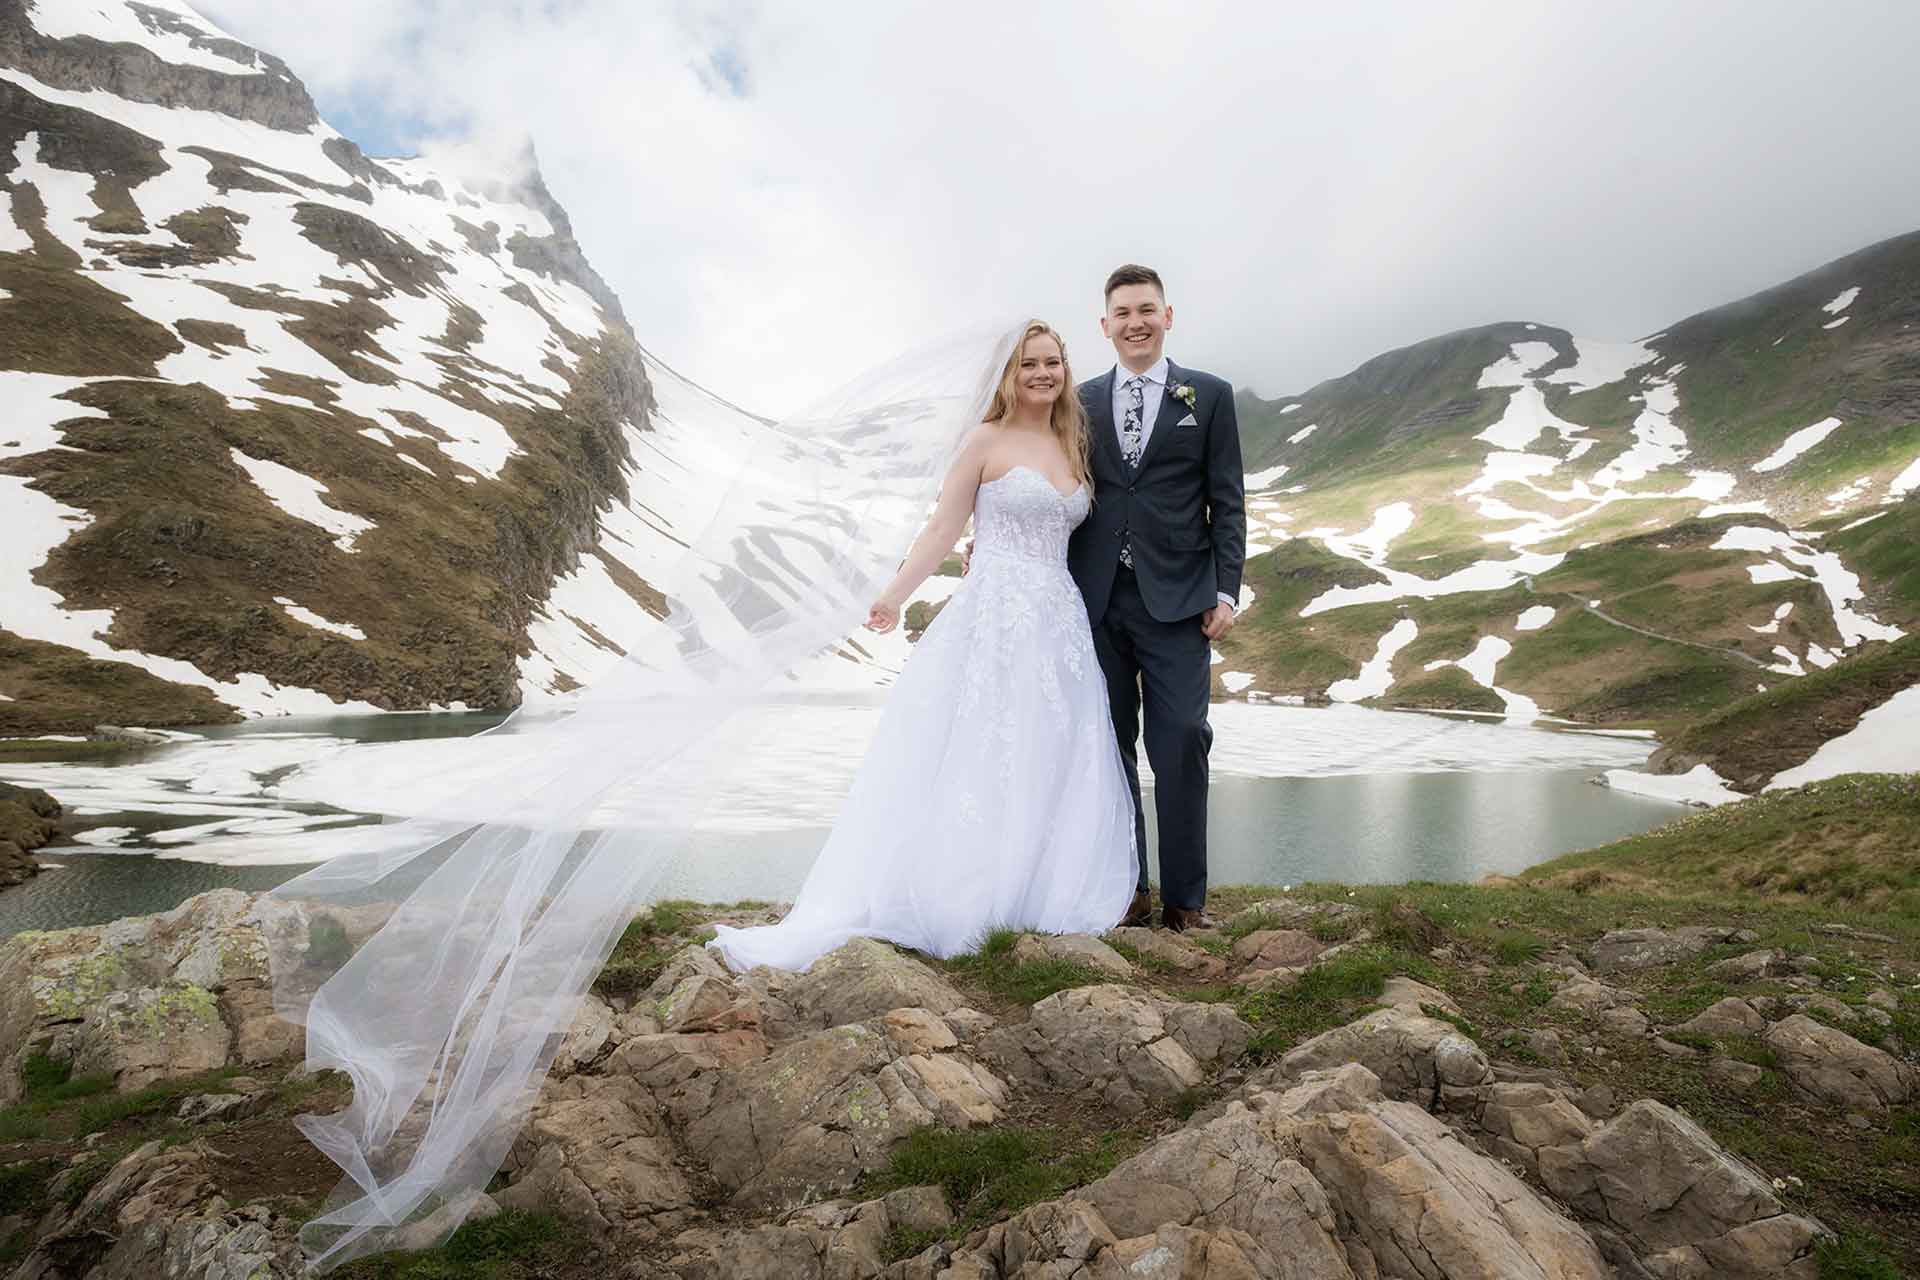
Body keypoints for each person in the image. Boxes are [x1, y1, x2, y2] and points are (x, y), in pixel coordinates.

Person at [706, 321, 1137, 972]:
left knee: (1049, 749)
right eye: (1030, 365)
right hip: (993, 615)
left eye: (1054, 362)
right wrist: (895, 594)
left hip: (1059, 623)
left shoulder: (1071, 442)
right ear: (1007, 376)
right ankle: (962, 896)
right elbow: (945, 524)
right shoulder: (984, 440)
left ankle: (1035, 893)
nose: (1044, 373)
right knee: (981, 752)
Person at [1070, 264, 1245, 932]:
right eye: (1123, 312)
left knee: (1180, 743)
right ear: (1105, 325)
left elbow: (1227, 502)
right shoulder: (1076, 401)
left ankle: (1186, 902)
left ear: (1167, 317)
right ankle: (1127, 892)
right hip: (1095, 600)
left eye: (1147, 310)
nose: (1135, 322)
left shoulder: (1211, 395)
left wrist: (1226, 590)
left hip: (1180, 602)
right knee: (1107, 749)